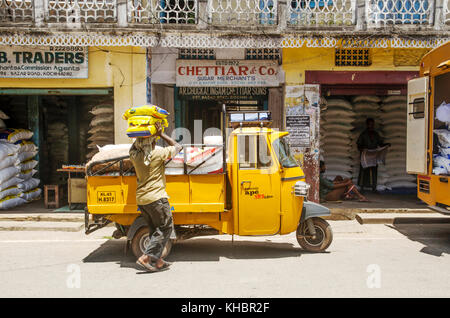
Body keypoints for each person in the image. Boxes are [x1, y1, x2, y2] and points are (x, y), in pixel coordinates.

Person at [130, 122, 182, 272]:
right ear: (152, 144)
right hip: (156, 198)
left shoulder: (134, 156)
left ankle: (158, 260)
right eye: (153, 141)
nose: (155, 143)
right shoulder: (157, 155)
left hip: (142, 199)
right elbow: (178, 147)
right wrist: (161, 134)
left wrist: (140, 132)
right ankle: (146, 257)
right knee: (166, 227)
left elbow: (134, 146)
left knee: (154, 230)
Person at [356, 118, 387, 194]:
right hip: (365, 155)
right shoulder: (363, 134)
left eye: (373, 124)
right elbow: (358, 144)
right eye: (370, 124)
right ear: (367, 125)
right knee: (364, 170)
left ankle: (373, 187)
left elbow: (380, 143)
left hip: (373, 154)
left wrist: (386, 145)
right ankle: (362, 187)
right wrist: (362, 149)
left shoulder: (376, 134)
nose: (372, 126)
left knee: (374, 171)